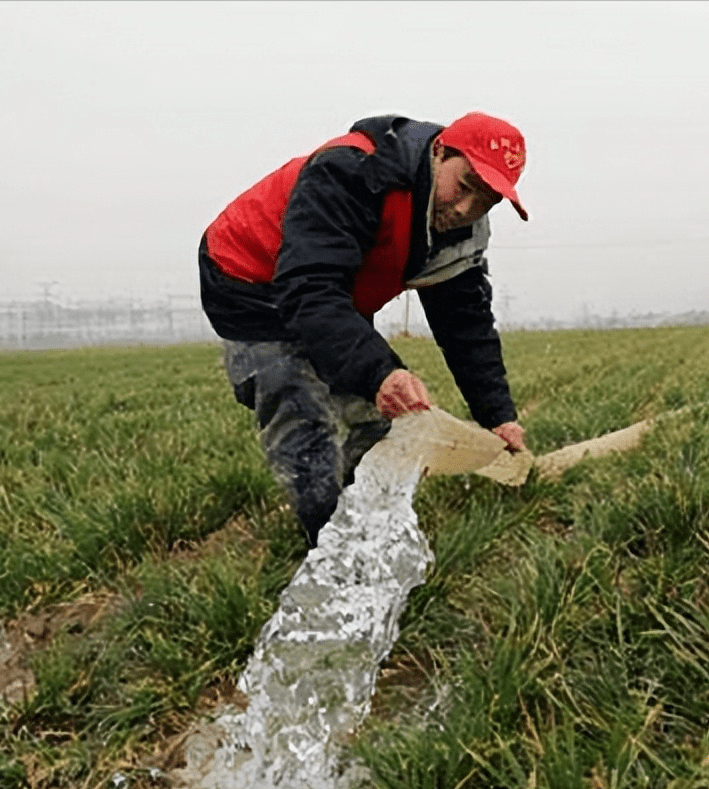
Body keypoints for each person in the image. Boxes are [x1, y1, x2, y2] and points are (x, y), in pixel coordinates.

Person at [198, 111, 529, 547]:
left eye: (486, 200)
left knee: (380, 419)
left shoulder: (462, 235)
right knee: (301, 415)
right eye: (464, 185)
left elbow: (466, 327)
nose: (466, 208)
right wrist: (379, 372)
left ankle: (370, 519)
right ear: (440, 152)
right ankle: (334, 550)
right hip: (250, 279)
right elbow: (309, 289)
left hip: (335, 293)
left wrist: (498, 417)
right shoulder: (352, 173)